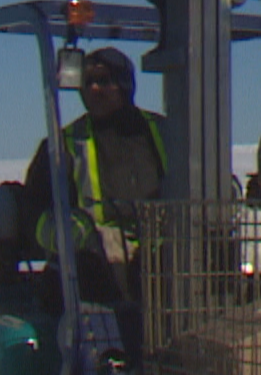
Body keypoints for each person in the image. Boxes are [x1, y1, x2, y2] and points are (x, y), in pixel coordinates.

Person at [22, 46, 166, 302]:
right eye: (87, 83)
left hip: (161, 246)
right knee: (112, 255)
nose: (93, 89)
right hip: (97, 261)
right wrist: (75, 232)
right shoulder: (62, 145)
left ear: (123, 84)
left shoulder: (164, 131)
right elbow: (34, 215)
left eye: (103, 81)